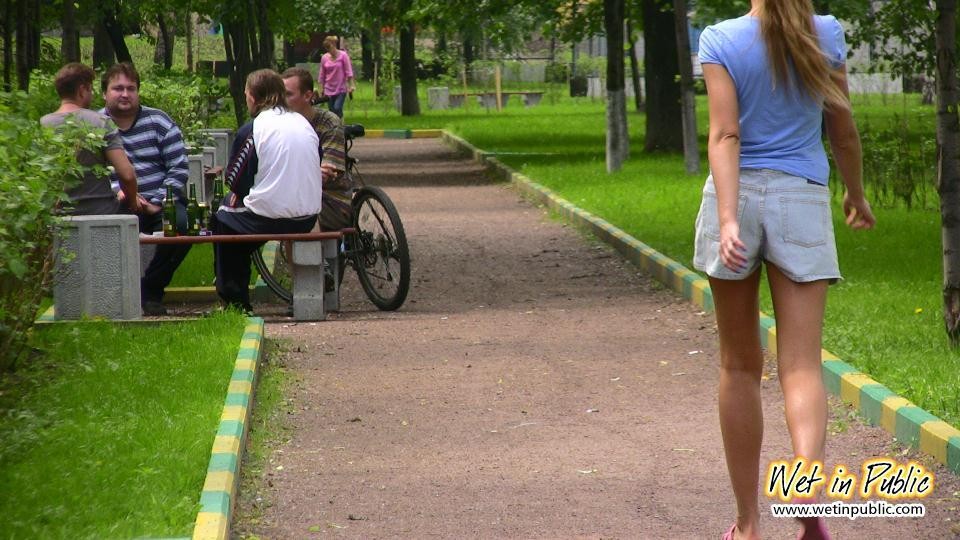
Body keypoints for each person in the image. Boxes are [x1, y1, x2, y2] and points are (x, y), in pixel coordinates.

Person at [693, 1, 875, 539]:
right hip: (802, 198)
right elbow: (842, 131)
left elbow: (725, 135)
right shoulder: (826, 33)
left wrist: (728, 219)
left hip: (737, 196)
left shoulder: (720, 39)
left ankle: (748, 524)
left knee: (739, 366)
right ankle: (806, 485)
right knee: (801, 366)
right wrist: (856, 194)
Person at [213, 69, 323, 312]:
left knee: (223, 217)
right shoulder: (303, 123)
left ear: (252, 96)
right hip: (306, 217)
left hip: (268, 219)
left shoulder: (254, 128)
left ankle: (235, 301)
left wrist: (245, 193)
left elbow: (235, 179)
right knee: (242, 218)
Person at [100, 62, 192, 316]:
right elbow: (93, 173)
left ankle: (151, 290)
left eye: (131, 88)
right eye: (117, 88)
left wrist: (157, 201)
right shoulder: (94, 126)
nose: (125, 94)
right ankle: (113, 297)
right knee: (100, 231)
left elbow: (179, 167)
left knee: (183, 228)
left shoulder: (158, 121)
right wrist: (120, 192)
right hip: (114, 201)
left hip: (160, 201)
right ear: (104, 93)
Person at [40, 62, 141, 216]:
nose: (92, 94)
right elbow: (126, 175)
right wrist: (133, 201)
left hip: (58, 214)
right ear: (82, 90)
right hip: (102, 212)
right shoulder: (100, 122)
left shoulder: (43, 125)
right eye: (90, 89)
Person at [281, 66, 355, 231]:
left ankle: (314, 257)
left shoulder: (328, 123)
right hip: (292, 197)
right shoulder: (279, 124)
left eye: (288, 94)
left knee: (295, 223)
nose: (282, 101)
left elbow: (327, 173)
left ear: (308, 96)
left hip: (329, 199)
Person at [317, 35, 355, 118]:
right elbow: (322, 75)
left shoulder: (343, 56)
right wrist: (321, 89)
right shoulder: (324, 58)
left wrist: (351, 85)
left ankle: (340, 124)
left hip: (341, 88)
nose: (329, 51)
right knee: (331, 111)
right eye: (327, 49)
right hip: (328, 89)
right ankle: (335, 127)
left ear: (334, 45)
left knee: (337, 108)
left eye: (330, 48)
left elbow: (348, 71)